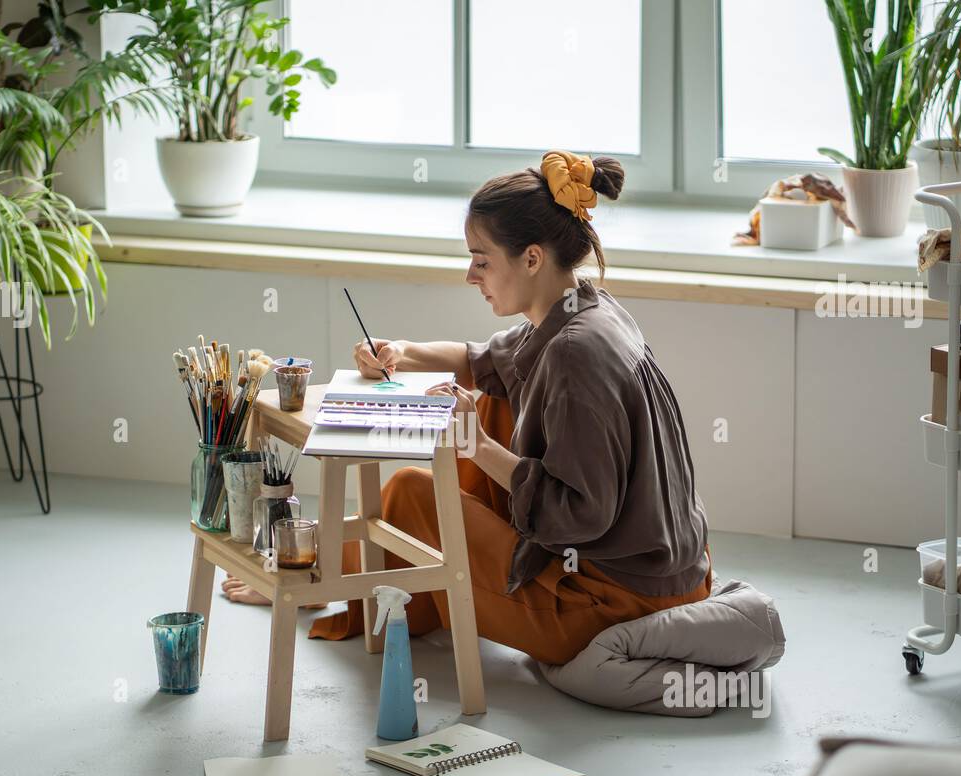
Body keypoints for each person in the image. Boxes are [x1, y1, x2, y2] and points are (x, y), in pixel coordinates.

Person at [221, 149, 712, 666]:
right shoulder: (584, 308)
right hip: (671, 576)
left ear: (532, 258)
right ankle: (340, 569)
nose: (469, 275)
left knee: (413, 494)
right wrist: (402, 353)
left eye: (481, 260)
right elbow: (484, 362)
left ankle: (315, 574)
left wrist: (476, 444)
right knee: (495, 399)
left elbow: (580, 515)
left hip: (612, 604)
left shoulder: (573, 352)